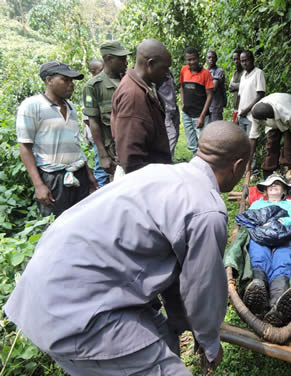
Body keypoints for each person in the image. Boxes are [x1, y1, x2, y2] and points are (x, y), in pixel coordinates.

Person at [4, 121, 250, 376]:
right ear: (238, 166)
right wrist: (210, 342)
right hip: (77, 314)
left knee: (166, 338)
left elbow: (179, 273)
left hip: (41, 291)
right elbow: (203, 288)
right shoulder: (206, 210)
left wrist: (181, 323)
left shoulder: (159, 174)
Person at [16, 61, 97, 217]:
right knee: (56, 226)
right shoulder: (32, 106)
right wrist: (39, 184)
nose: (71, 84)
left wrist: (88, 174)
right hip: (53, 178)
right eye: (65, 80)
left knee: (82, 221)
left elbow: (76, 145)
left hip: (78, 174)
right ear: (49, 80)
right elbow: (25, 147)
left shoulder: (72, 107)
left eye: (71, 81)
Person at [240, 174, 291, 327]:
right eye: (270, 185)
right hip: (261, 237)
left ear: (283, 191)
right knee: (259, 257)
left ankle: (277, 304)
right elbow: (250, 218)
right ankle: (258, 294)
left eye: (278, 184)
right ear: (266, 191)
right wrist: (264, 223)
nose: (274, 186)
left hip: (284, 237)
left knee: (283, 261)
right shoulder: (256, 204)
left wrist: (277, 221)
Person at [112, 39, 172, 173]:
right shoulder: (133, 96)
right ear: (150, 64)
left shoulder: (142, 87)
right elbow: (131, 158)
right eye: (164, 68)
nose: (167, 73)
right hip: (142, 180)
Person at [83, 41, 132, 184]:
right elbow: (93, 121)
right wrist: (103, 155)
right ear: (109, 59)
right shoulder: (94, 87)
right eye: (121, 58)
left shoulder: (130, 80)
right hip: (114, 152)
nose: (125, 61)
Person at [250, 93, 291, 177]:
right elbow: (253, 137)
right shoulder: (256, 112)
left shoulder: (288, 112)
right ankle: (268, 172)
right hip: (272, 115)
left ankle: (287, 171)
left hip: (287, 118)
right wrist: (248, 164)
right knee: (271, 144)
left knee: (289, 146)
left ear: (267, 118)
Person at [179, 47, 214, 154]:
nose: (192, 62)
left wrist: (202, 116)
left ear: (198, 58)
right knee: (192, 144)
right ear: (186, 60)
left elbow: (210, 95)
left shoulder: (205, 73)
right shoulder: (184, 70)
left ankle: (205, 166)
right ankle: (196, 165)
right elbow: (181, 87)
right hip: (187, 114)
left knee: (203, 143)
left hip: (200, 114)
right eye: (189, 60)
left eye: (194, 59)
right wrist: (183, 103)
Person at [238, 50, 265, 180]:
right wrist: (238, 112)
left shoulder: (258, 73)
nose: (244, 63)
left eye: (247, 60)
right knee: (243, 144)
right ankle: (245, 169)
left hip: (252, 114)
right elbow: (240, 96)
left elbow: (260, 94)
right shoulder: (243, 75)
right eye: (242, 61)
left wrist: (248, 109)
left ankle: (253, 172)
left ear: (252, 60)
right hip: (241, 115)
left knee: (251, 143)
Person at [82, 59, 106, 186]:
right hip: (99, 137)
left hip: (108, 136)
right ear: (93, 72)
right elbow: (87, 119)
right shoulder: (90, 88)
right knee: (101, 165)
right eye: (101, 70)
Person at [157, 71, 180, 158]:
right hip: (166, 110)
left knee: (176, 134)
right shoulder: (158, 76)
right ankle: (166, 160)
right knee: (172, 135)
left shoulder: (170, 74)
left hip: (174, 107)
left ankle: (170, 158)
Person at [206, 50, 226, 122]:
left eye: (213, 57)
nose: (211, 59)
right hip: (206, 107)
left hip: (216, 107)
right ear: (206, 59)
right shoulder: (205, 71)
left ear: (216, 59)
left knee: (216, 129)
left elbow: (213, 87)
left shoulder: (219, 71)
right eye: (209, 57)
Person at [228, 48, 243, 124]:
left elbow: (246, 86)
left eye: (238, 59)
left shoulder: (246, 72)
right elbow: (230, 87)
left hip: (244, 109)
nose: (236, 61)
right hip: (235, 108)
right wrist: (239, 85)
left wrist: (236, 85)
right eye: (234, 59)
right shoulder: (235, 73)